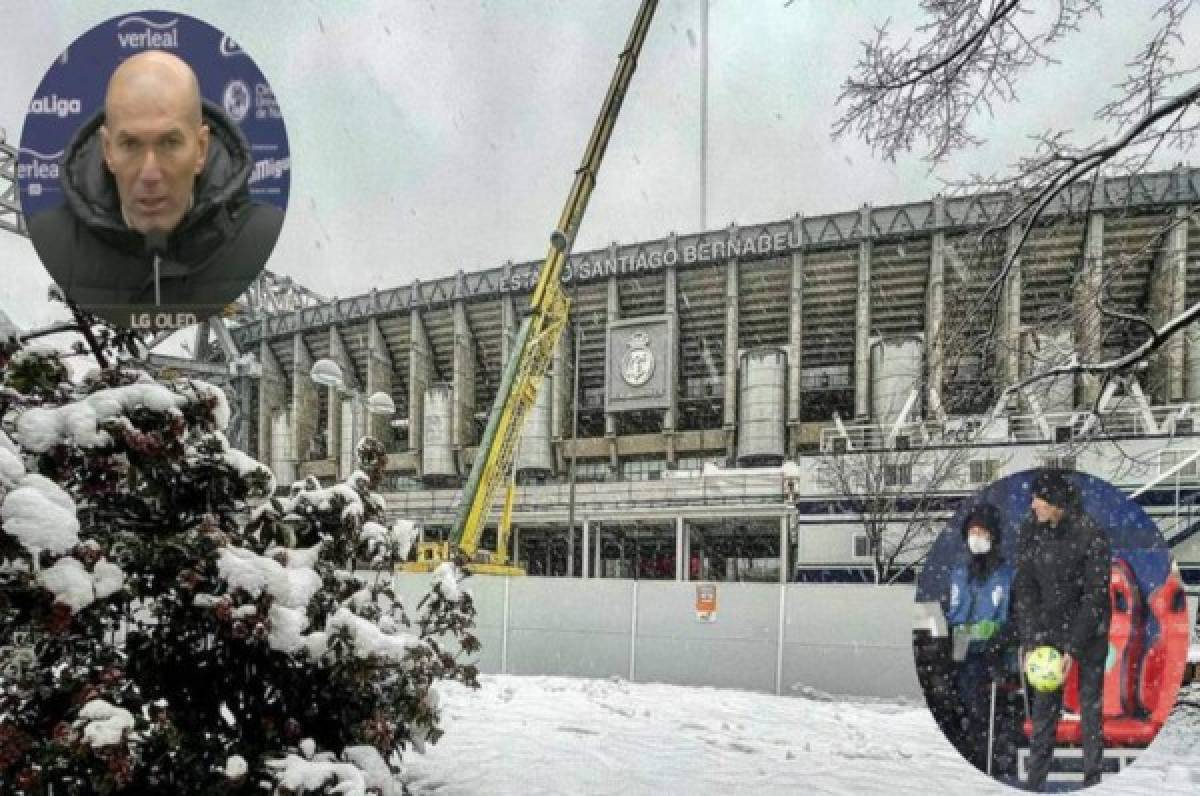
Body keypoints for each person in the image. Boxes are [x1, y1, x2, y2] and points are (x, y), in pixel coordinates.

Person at [27, 50, 283, 324]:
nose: (150, 173)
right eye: (131, 144)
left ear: (200, 150)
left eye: (170, 143)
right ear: (107, 150)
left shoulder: (264, 231)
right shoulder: (50, 236)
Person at [1013, 469, 1112, 790]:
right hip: (1048, 631)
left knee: (1089, 705)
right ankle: (1035, 781)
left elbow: (1095, 595)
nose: (1033, 505)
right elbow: (1026, 589)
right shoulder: (1030, 531)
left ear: (1057, 503)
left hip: (1089, 630)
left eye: (1038, 499)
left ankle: (1092, 777)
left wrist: (1074, 648)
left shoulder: (1090, 534)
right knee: (1044, 707)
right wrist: (1031, 639)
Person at [944, 502, 1018, 777]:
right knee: (967, 704)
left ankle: (996, 760)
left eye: (981, 532)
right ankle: (974, 758)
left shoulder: (1008, 575)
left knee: (992, 709)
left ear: (993, 536)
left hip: (998, 655)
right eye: (972, 531)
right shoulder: (960, 572)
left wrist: (998, 636)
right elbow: (951, 613)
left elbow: (1018, 618)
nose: (976, 537)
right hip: (965, 653)